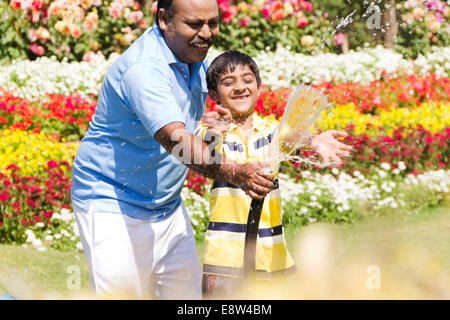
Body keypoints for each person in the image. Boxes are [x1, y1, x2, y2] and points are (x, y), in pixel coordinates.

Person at [70, 0, 275, 300]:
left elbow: (235, 112)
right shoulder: (145, 71)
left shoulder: (194, 58)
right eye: (194, 24)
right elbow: (179, 144)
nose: (206, 33)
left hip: (166, 206)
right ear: (164, 19)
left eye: (213, 23)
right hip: (111, 203)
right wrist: (235, 172)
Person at [197, 50, 353, 299]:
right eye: (229, 83)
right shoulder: (212, 131)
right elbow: (207, 157)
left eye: (247, 80)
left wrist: (314, 140)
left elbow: (290, 134)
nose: (240, 88)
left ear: (258, 87)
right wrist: (216, 128)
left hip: (274, 259)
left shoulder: (270, 131)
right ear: (214, 95)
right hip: (225, 261)